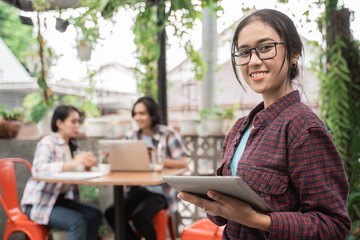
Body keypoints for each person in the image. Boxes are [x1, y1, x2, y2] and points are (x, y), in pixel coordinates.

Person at [177, 9, 351, 239]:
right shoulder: (239, 129)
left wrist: (257, 220)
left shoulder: (304, 129)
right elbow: (229, 214)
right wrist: (213, 203)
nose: (254, 61)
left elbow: (333, 225)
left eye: (266, 48)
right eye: (245, 52)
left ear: (294, 54)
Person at [105, 96, 188, 240]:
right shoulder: (131, 136)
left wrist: (157, 158)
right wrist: (112, 158)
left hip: (161, 191)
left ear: (152, 115)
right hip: (138, 189)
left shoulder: (168, 134)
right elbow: (124, 164)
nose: (137, 117)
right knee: (111, 213)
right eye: (135, 114)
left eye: (142, 113)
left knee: (140, 217)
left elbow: (184, 163)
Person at [21, 105, 102, 240]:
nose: (77, 126)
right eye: (73, 122)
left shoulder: (71, 145)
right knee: (77, 221)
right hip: (39, 203)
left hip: (60, 200)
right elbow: (39, 169)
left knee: (95, 214)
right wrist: (74, 163)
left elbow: (72, 171)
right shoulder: (47, 143)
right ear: (59, 123)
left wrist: (86, 165)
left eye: (78, 122)